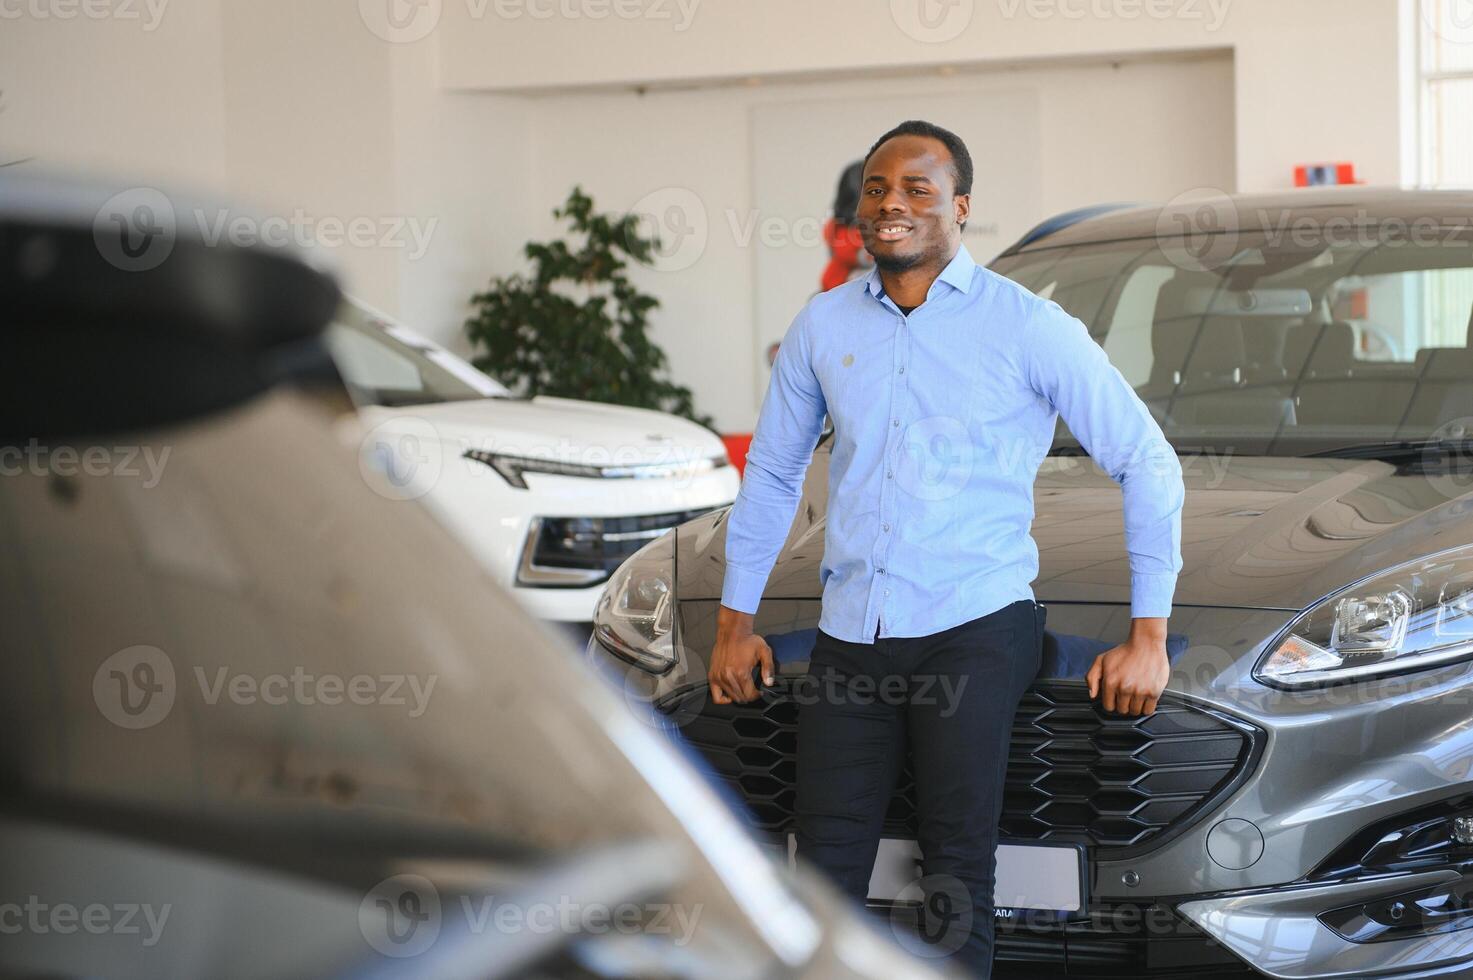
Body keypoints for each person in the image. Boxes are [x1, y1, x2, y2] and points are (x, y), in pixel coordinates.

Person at [707, 119, 1185, 976]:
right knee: (820, 871)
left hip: (974, 625)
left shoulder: (1027, 326)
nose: (891, 204)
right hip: (852, 633)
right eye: (877, 190)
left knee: (955, 870)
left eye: (916, 189)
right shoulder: (821, 325)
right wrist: (732, 624)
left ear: (959, 207)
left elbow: (1145, 459)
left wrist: (1148, 635)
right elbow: (773, 475)